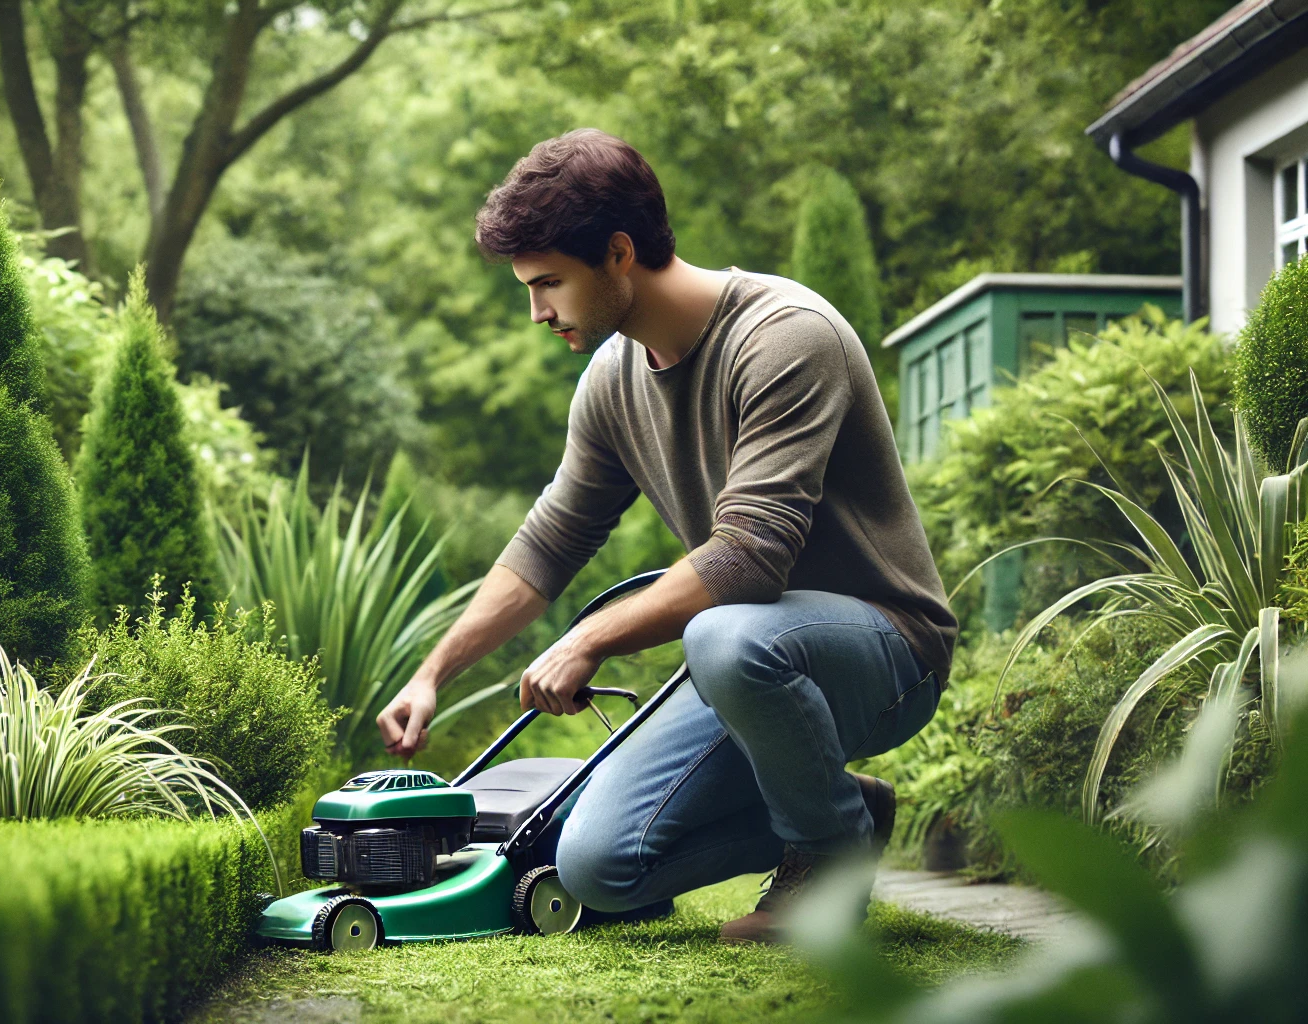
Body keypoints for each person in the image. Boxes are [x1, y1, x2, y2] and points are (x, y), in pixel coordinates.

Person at [374, 129, 956, 944]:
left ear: (618, 252)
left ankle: (823, 869)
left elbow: (750, 555)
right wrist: (433, 673)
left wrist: (591, 639)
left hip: (887, 650)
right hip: (754, 657)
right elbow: (545, 547)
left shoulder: (785, 336)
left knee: (721, 635)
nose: (538, 312)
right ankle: (844, 808)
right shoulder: (612, 381)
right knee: (598, 866)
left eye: (549, 284)